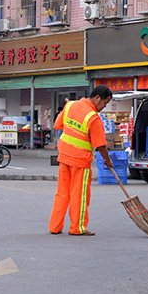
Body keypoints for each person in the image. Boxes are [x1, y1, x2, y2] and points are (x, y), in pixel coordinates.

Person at [48, 86, 113, 236]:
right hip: (80, 161)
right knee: (79, 195)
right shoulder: (93, 117)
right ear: (97, 98)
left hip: (64, 156)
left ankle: (55, 226)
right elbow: (100, 145)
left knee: (62, 193)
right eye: (105, 102)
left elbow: (57, 125)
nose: (104, 107)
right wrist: (107, 160)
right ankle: (77, 228)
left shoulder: (70, 105)